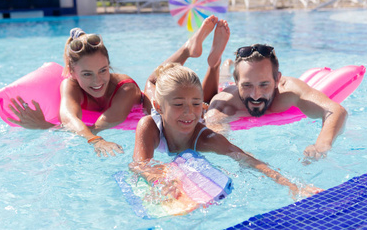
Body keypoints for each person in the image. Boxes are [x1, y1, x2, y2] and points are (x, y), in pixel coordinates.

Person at [130, 61, 322, 200]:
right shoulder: (149, 127)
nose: (189, 112)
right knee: (150, 83)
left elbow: (248, 160)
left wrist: (293, 186)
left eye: (196, 103)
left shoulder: (206, 138)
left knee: (217, 117)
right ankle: (217, 67)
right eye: (179, 104)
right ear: (160, 107)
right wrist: (162, 179)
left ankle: (222, 68)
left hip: (207, 114)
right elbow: (139, 165)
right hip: (162, 105)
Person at [7, 28, 144, 157]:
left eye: (103, 70)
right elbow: (69, 119)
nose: (97, 81)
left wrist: (46, 126)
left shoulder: (126, 88)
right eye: (87, 74)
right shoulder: (70, 86)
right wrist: (95, 140)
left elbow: (97, 127)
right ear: (72, 72)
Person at [205, 44, 348, 161]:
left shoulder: (289, 90)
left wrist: (321, 145)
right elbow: (214, 142)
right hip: (226, 86)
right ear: (237, 83)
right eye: (247, 85)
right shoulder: (223, 105)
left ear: (277, 80)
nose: (256, 95)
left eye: (264, 84)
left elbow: (336, 111)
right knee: (224, 80)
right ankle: (225, 66)